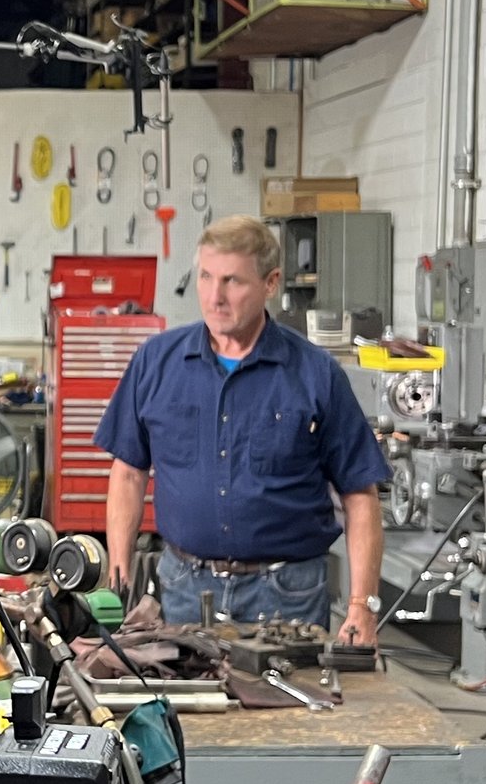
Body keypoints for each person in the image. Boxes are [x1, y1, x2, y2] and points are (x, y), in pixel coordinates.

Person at [97, 215, 389, 639]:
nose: (215, 296)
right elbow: (127, 473)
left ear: (270, 283)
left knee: (291, 707)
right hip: (184, 589)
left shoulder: (315, 373)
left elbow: (361, 494)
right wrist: (118, 575)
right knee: (191, 703)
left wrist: (363, 606)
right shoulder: (155, 362)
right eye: (206, 277)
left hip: (287, 595)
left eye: (232, 281)